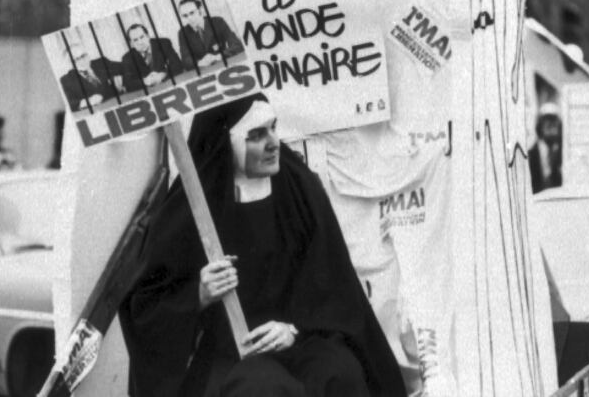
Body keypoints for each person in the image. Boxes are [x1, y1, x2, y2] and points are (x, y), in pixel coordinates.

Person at [119, 94, 406, 397]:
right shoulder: (193, 203)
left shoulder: (298, 185)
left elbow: (331, 282)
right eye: (256, 135)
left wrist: (293, 329)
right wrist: (199, 294)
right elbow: (147, 306)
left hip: (297, 334)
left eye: (273, 127)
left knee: (339, 371)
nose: (273, 143)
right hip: (227, 350)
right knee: (261, 387)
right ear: (224, 144)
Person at [177, 0, 244, 71]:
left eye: (192, 13)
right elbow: (185, 59)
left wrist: (217, 57)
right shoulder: (183, 33)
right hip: (204, 69)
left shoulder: (217, 22)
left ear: (200, 10)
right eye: (185, 16)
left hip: (223, 63)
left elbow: (237, 45)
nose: (189, 18)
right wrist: (199, 63)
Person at [59, 41, 123, 112]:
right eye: (76, 59)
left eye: (83, 55)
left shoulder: (102, 62)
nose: (82, 60)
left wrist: (122, 79)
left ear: (88, 54)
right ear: (70, 63)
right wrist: (87, 102)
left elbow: (126, 67)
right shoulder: (66, 80)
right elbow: (68, 103)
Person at [122, 23, 185, 93]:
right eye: (135, 40)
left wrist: (163, 75)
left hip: (169, 86)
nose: (140, 42)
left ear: (148, 36)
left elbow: (178, 65)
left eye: (142, 37)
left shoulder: (164, 43)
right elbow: (127, 84)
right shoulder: (127, 58)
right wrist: (144, 81)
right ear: (131, 44)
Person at [529, 102, 562, 194]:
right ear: (540, 125)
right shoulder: (530, 155)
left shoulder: (564, 154)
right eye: (547, 120)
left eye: (554, 120)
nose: (551, 125)